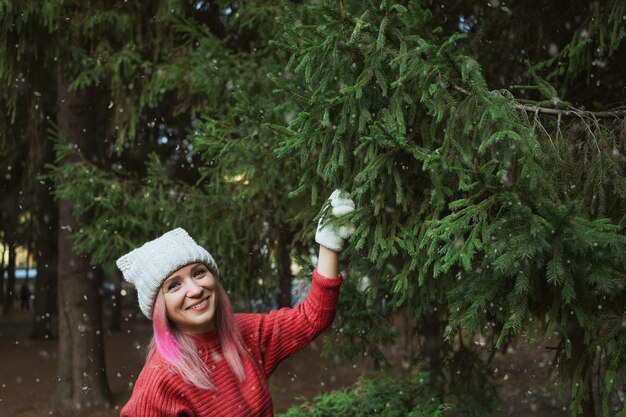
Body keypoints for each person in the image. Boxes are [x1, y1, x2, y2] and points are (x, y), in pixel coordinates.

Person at [116, 190, 355, 417]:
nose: (195, 289)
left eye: (199, 273)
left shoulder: (245, 333)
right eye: (174, 285)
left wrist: (328, 245)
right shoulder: (161, 379)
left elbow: (312, 318)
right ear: (159, 306)